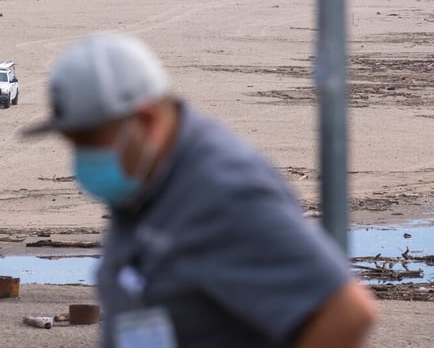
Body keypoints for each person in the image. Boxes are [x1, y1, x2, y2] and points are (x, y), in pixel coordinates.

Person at [24, 33, 377, 348]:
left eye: (89, 141)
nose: (82, 158)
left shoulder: (223, 190)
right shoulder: (147, 182)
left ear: (145, 122)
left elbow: (346, 312)